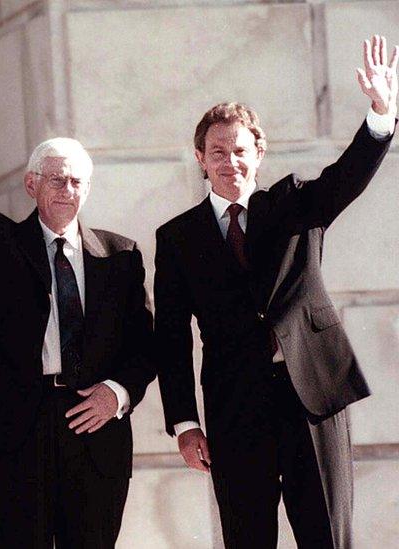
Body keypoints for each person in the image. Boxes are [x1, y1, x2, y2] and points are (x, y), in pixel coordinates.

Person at [153, 35, 397, 548]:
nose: (229, 162)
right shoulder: (176, 238)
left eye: (240, 150)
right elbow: (170, 336)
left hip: (313, 394)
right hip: (234, 407)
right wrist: (183, 423)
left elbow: (347, 177)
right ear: (200, 158)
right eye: (217, 152)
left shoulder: (294, 204)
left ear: (258, 153)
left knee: (329, 536)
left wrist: (380, 111)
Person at [0, 89, 156, 548]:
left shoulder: (121, 255)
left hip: (95, 428)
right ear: (32, 185)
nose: (68, 191)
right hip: (18, 433)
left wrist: (117, 393)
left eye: (77, 182)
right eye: (57, 180)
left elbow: (144, 347)